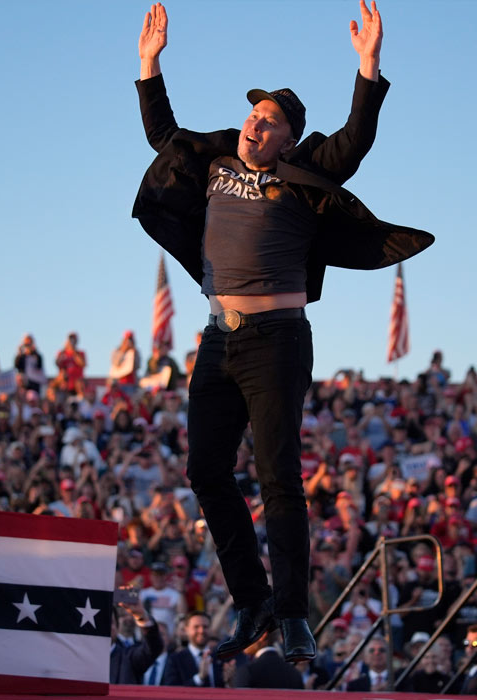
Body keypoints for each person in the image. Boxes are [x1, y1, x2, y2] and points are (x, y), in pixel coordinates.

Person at [133, 0, 432, 663]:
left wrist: (368, 67)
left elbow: (354, 139)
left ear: (289, 139)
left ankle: (295, 614)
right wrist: (150, 65)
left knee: (277, 475)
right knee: (206, 470)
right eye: (251, 113)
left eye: (268, 120)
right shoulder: (212, 165)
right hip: (217, 338)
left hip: (277, 339)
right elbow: (165, 137)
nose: (253, 122)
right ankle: (253, 602)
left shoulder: (305, 175)